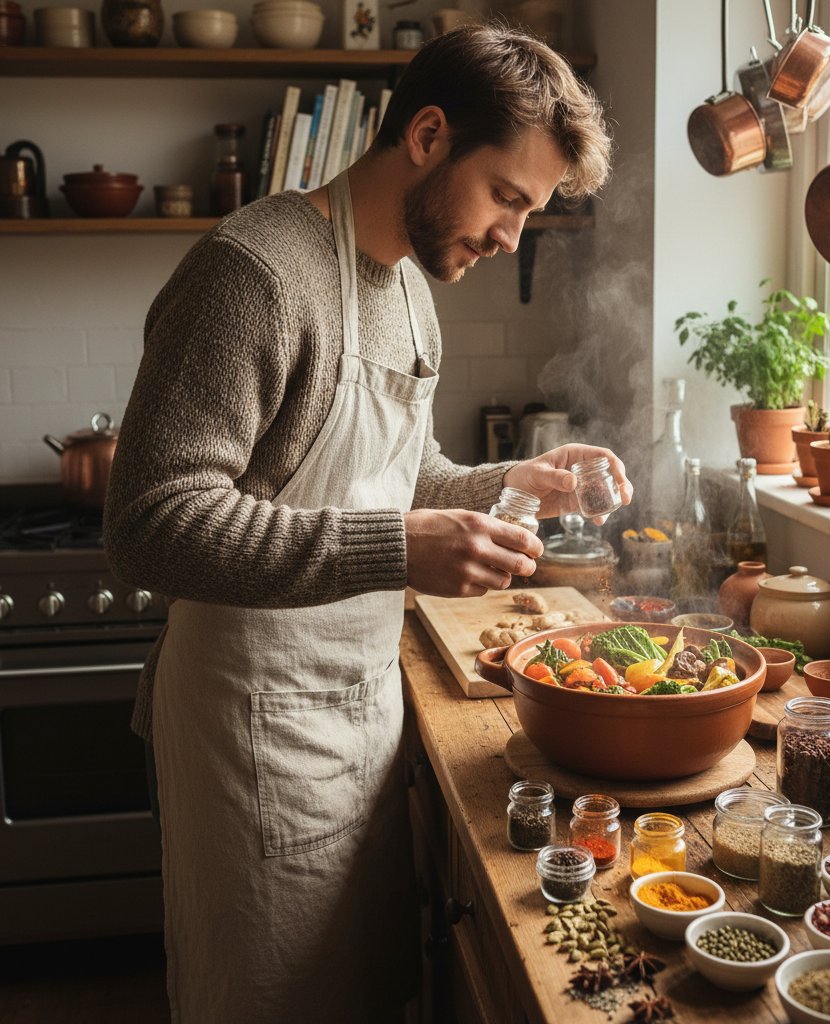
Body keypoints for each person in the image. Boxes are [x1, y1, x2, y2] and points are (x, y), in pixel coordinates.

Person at [104, 22, 628, 1024]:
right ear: (427, 136)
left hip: (361, 714)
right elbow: (150, 523)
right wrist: (399, 549)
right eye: (507, 197)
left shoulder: (408, 293)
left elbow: (402, 476)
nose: (513, 234)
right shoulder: (253, 272)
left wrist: (515, 480)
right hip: (253, 729)